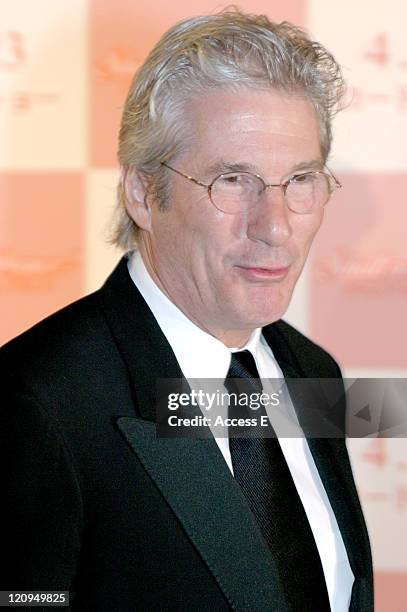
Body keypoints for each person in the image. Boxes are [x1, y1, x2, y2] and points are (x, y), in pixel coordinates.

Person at [1, 8, 373, 611]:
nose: (276, 227)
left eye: (300, 179)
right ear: (144, 193)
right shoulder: (37, 401)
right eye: (232, 180)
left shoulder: (312, 370)